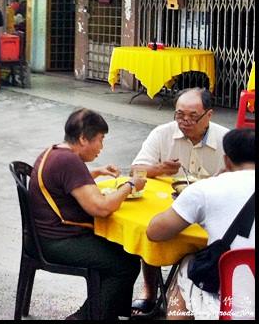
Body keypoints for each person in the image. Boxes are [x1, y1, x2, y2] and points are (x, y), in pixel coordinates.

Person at [28, 108, 144, 320]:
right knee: (126, 263)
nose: (102, 146)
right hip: (58, 242)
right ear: (83, 138)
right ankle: (84, 317)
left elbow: (64, 180)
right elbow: (101, 208)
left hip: (45, 236)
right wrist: (130, 184)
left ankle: (108, 312)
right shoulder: (69, 161)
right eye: (100, 139)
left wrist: (97, 171)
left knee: (123, 251)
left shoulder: (55, 152)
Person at [130, 87, 231, 315]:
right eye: (179, 115)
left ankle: (199, 292)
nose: (184, 121)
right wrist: (160, 168)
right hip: (171, 206)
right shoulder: (162, 133)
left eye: (192, 116)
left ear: (209, 115)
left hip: (212, 210)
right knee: (152, 228)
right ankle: (149, 291)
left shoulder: (225, 139)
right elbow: (136, 170)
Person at [147, 128, 255, 321]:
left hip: (232, 309)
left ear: (227, 161)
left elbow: (155, 232)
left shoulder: (206, 189)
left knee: (188, 265)